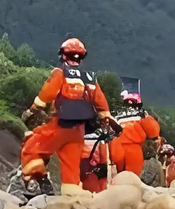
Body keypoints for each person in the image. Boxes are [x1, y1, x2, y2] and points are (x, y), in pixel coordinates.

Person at [20, 38, 117, 196]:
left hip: (59, 125)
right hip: (78, 131)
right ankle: (71, 198)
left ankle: (38, 183)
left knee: (31, 148)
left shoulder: (60, 73)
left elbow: (46, 95)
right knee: (71, 169)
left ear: (64, 56)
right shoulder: (90, 78)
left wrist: (31, 111)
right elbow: (102, 105)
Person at [109, 91, 161, 177]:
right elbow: (153, 131)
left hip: (117, 147)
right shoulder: (141, 115)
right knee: (134, 177)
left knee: (120, 175)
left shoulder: (117, 116)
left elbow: (112, 133)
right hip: (135, 148)